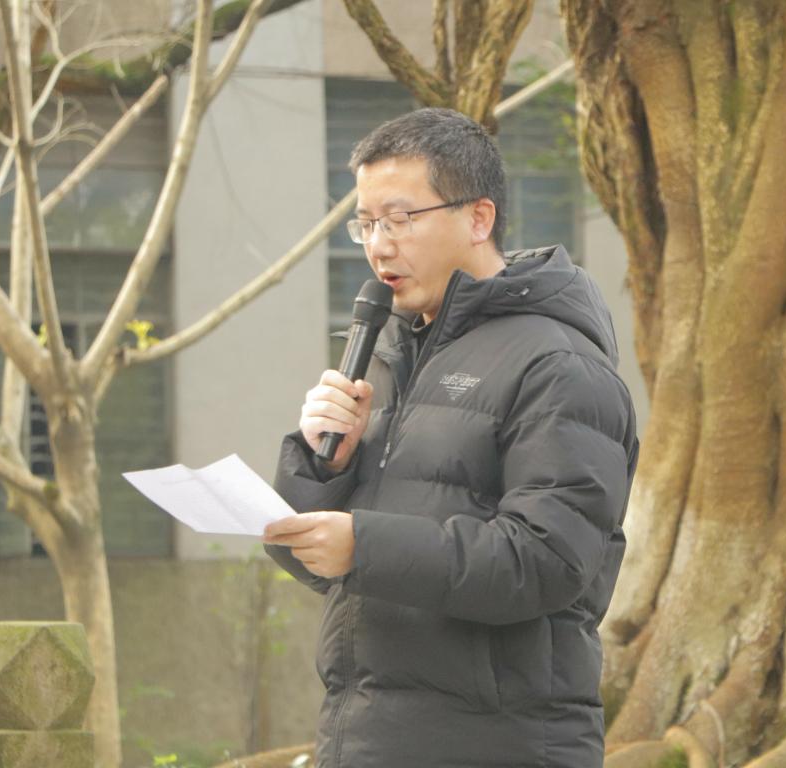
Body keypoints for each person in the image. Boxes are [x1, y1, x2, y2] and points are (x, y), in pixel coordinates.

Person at [263, 107, 638, 768]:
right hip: (367, 735)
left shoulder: (557, 365)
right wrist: (323, 470)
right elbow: (330, 568)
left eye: (400, 219)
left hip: (498, 743)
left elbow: (547, 562)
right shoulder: (391, 354)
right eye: (366, 223)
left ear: (478, 218)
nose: (379, 246)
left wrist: (363, 544)